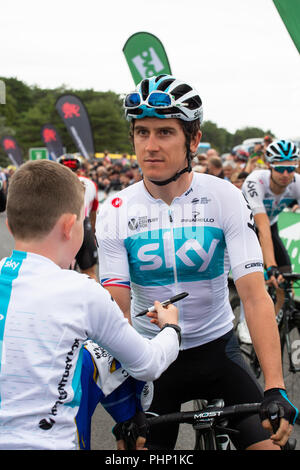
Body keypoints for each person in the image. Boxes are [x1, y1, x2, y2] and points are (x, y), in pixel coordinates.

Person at [96, 74, 298, 450]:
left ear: (193, 139)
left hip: (217, 351)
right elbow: (116, 316)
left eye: (165, 133)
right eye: (142, 132)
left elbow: (254, 298)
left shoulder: (225, 197)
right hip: (151, 361)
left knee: (274, 446)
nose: (150, 146)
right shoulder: (115, 210)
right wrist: (125, 406)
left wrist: (275, 386)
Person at [0, 159, 181, 450]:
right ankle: (129, 430)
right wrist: (172, 329)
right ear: (71, 225)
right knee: (107, 356)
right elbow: (146, 364)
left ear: (9, 225)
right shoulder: (80, 290)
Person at [241, 139, 300, 321]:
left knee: (285, 275)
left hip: (270, 224)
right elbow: (262, 227)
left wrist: (277, 268)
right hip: (244, 226)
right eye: (279, 168)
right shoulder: (256, 181)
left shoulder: (297, 183)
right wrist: (271, 266)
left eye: (290, 168)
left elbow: (269, 228)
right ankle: (245, 323)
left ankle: (275, 319)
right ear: (269, 166)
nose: (285, 173)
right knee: (252, 278)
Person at [58, 154, 99, 281]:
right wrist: (92, 232)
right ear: (79, 168)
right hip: (83, 225)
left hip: (60, 227)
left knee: (58, 276)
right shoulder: (91, 184)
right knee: (90, 273)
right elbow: (93, 212)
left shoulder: (53, 183)